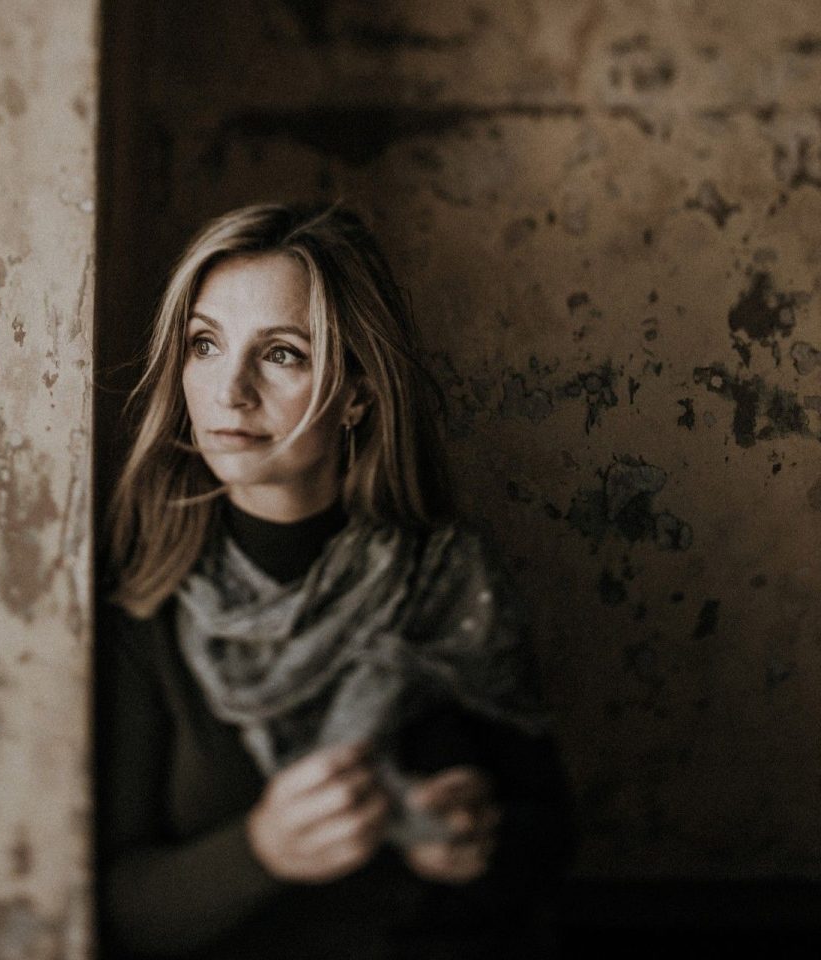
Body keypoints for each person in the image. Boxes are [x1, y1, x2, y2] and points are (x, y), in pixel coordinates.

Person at [96, 203, 574, 960]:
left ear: (358, 393)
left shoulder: (445, 578)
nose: (229, 390)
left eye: (281, 354)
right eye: (205, 344)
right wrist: (262, 852)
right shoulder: (144, 596)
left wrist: (472, 844)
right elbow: (118, 914)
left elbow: (547, 844)